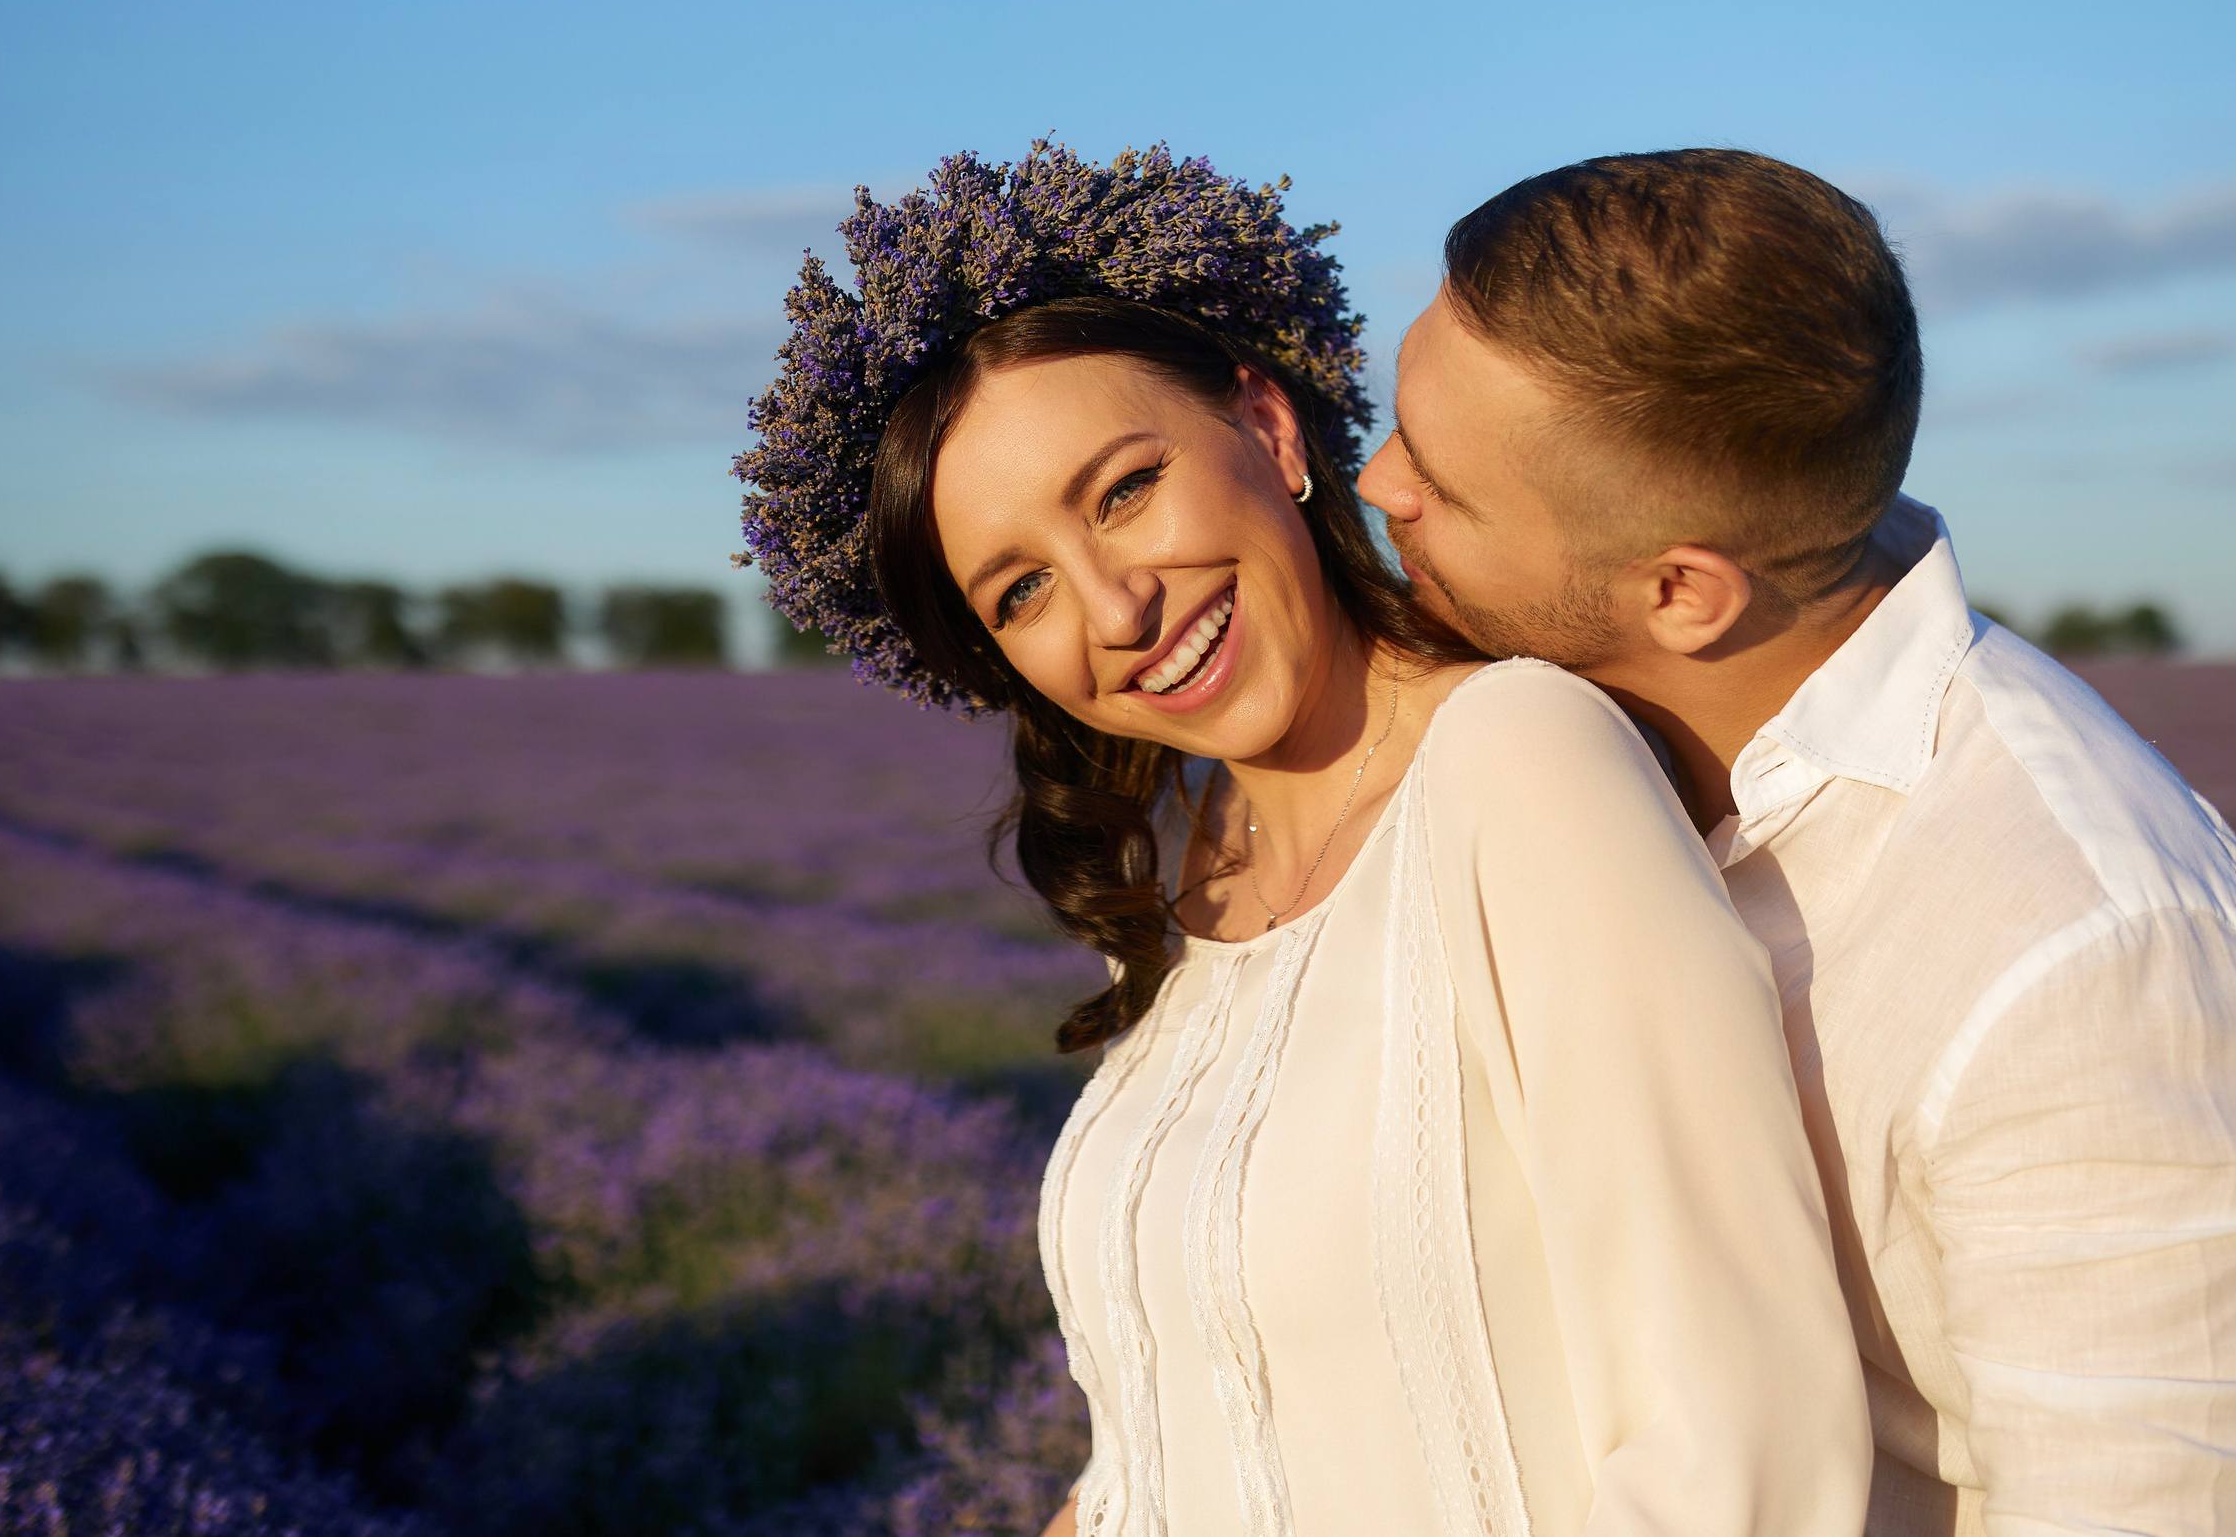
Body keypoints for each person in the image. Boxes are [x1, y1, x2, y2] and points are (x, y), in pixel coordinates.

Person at [736, 142, 1872, 1537]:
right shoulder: (1189, 870)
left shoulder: (1519, 764)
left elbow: (1741, 1441)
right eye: (1021, 589)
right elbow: (1173, 1439)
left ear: (1271, 431)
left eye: (1125, 491)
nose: (1115, 609)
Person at [1358, 148, 2236, 1537]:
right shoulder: (1549, 734)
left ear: (1682, 593)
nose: (1378, 482)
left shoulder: (2091, 958)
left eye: (1441, 485)